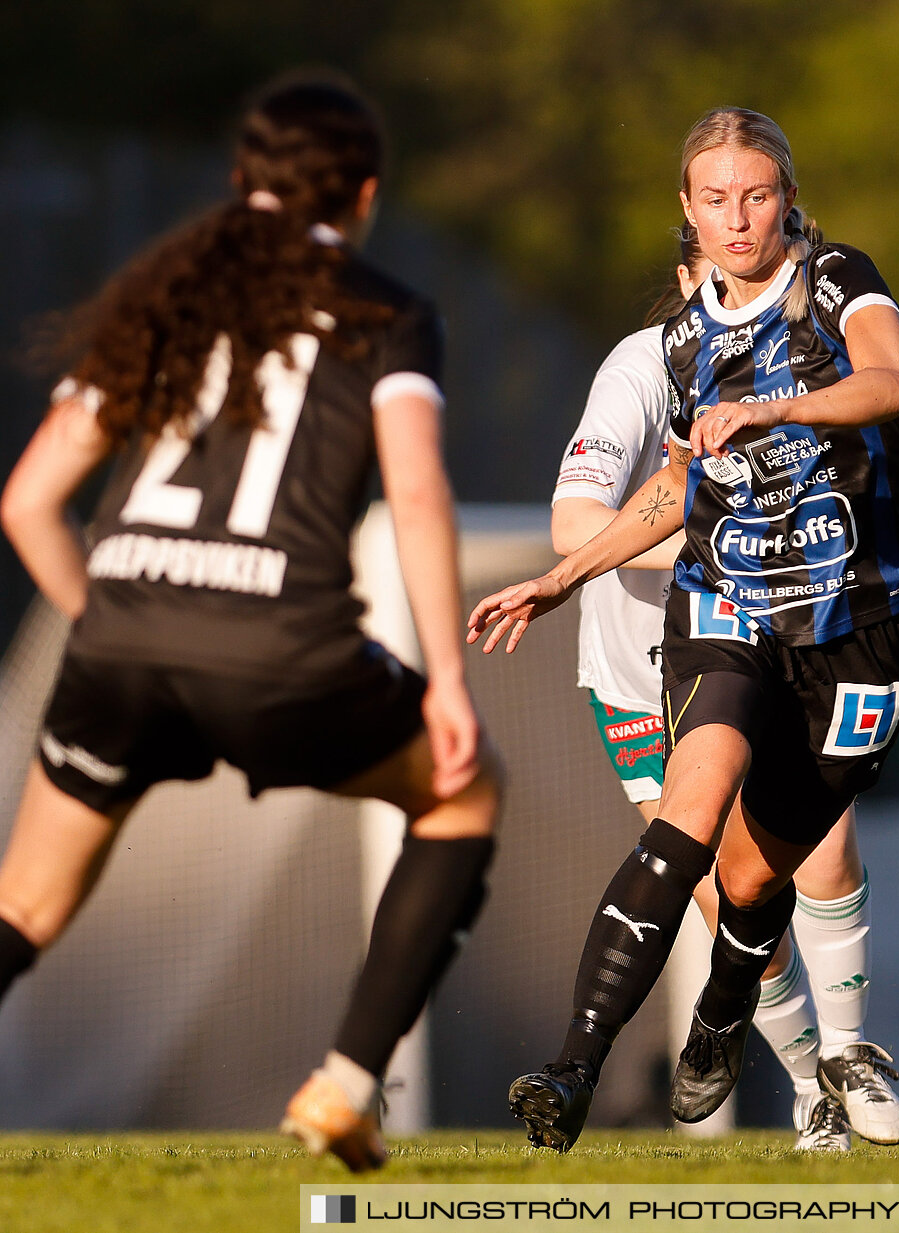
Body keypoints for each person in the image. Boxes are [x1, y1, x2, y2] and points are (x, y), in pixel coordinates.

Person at [0, 77, 500, 1173]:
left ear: (242, 181)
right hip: (283, 652)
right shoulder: (386, 311)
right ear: (365, 193)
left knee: (24, 907)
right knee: (464, 794)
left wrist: (115, 622)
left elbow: (27, 503)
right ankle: (345, 1087)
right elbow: (415, 493)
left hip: (121, 644)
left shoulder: (168, 292)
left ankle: (347, 1091)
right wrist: (449, 681)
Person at [473, 107, 899, 1153]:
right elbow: (647, 496)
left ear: (788, 201)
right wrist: (564, 575)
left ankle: (802, 1043)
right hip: (706, 625)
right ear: (686, 222)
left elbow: (890, 387)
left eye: (755, 196)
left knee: (788, 861)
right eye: (713, 202)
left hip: (848, 624)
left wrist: (772, 417)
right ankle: (580, 1066)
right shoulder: (661, 354)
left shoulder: (841, 282)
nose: (735, 221)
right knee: (696, 846)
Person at [544, 236, 888, 1152]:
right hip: (637, 667)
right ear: (690, 276)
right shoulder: (645, 364)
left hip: (770, 648)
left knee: (814, 848)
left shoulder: (819, 362)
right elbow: (574, 520)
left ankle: (850, 1061)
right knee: (721, 898)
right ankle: (811, 1082)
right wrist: (716, 543)